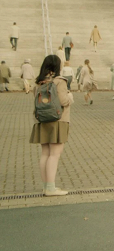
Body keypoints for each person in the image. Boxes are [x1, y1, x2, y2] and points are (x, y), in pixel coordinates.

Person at [29, 54, 73, 196]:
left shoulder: (39, 82)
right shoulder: (59, 81)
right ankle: (51, 188)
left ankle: (46, 185)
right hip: (58, 120)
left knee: (45, 154)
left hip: (42, 120)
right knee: (55, 154)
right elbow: (63, 101)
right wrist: (70, 97)